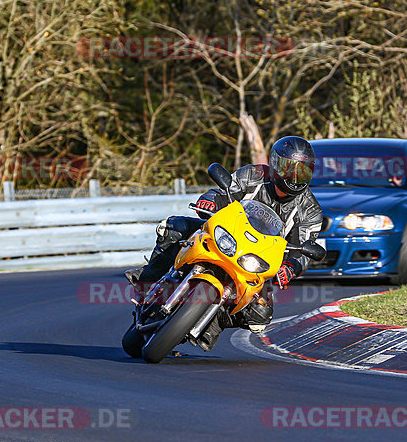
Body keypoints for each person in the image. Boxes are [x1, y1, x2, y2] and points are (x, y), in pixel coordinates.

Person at [126, 136, 323, 350]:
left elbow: (305, 248)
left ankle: (207, 325)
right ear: (275, 164)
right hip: (225, 235)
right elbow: (222, 191)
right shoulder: (255, 174)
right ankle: (146, 284)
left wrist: (291, 268)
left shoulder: (310, 210)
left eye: (302, 170)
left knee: (260, 314)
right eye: (289, 168)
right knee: (172, 228)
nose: (294, 176)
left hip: (256, 260)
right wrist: (209, 201)